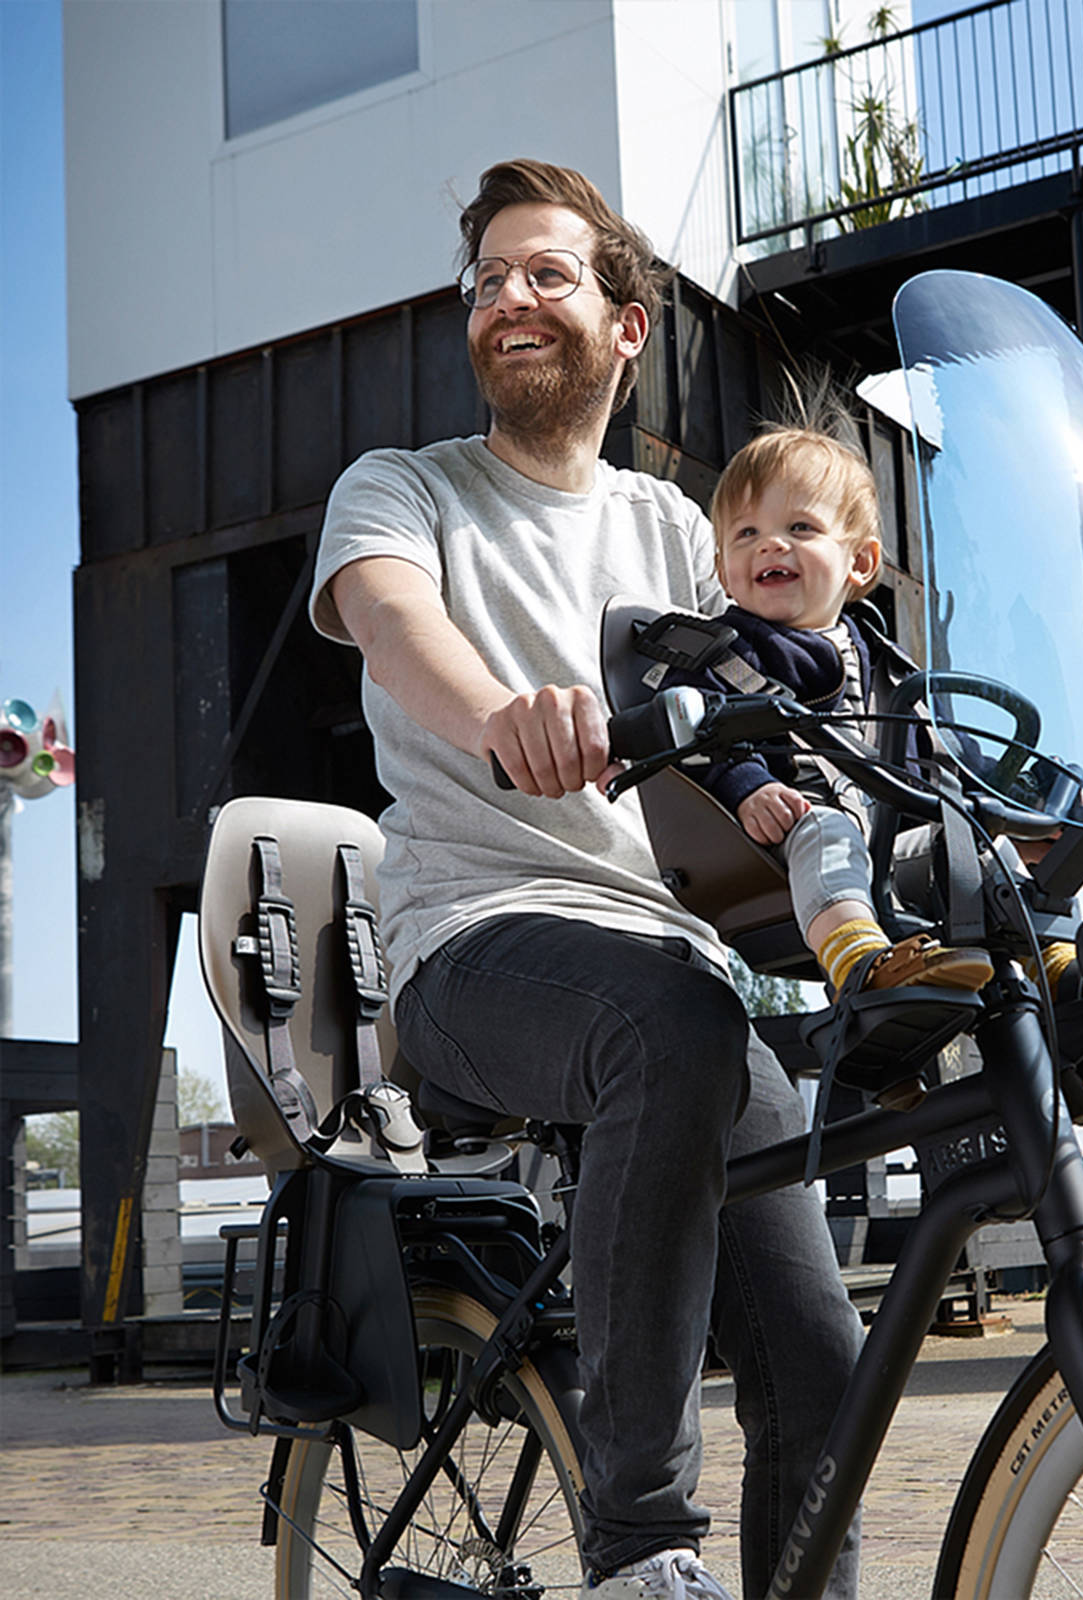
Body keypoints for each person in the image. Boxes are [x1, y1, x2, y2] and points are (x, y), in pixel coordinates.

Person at [309, 159, 863, 1600]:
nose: (509, 300)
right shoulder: (404, 487)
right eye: (488, 280)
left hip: (670, 959)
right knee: (661, 1027)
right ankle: (639, 1550)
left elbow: (771, 696)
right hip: (472, 946)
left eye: (545, 273)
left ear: (627, 326)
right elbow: (391, 618)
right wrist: (502, 710)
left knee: (823, 1377)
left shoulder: (683, 534)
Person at [662, 421, 1083, 1008]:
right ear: (725, 570)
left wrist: (1013, 811)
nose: (769, 544)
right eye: (746, 533)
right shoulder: (728, 652)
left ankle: (1060, 970)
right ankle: (863, 968)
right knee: (828, 831)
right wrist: (747, 787)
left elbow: (937, 755)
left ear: (860, 563)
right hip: (779, 845)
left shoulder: (881, 664)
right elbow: (690, 733)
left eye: (799, 528)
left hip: (885, 846)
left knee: (980, 852)